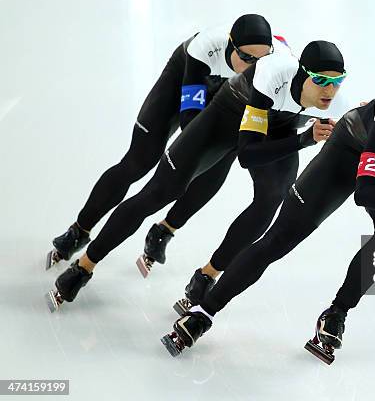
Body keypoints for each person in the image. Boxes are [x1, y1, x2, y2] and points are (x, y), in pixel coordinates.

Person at [160, 91, 375, 361]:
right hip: (352, 147)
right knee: (280, 239)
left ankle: (336, 313)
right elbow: (365, 193)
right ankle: (204, 312)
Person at [46, 40, 347, 312]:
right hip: (228, 116)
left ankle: (207, 275)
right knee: (160, 192)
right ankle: (85, 265)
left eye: (337, 82)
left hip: (278, 124)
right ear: (301, 74)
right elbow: (247, 154)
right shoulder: (271, 76)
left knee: (272, 198)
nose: (329, 91)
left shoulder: (335, 103)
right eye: (321, 81)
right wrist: (304, 140)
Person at [45, 14, 280, 270]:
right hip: (188, 77)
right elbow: (190, 121)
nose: (253, 67)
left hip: (231, 96)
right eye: (246, 58)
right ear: (230, 44)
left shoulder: (277, 63)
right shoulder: (205, 49)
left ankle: (164, 230)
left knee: (220, 160)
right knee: (140, 161)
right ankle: (79, 229)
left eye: (261, 60)